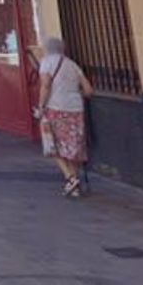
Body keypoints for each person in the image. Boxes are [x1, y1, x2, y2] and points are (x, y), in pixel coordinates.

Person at [38, 35, 94, 198]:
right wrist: (74, 93)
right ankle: (74, 184)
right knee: (73, 146)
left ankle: (70, 178)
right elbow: (89, 91)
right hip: (75, 109)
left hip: (55, 108)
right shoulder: (73, 65)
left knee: (53, 145)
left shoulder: (46, 63)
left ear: (46, 49)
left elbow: (45, 85)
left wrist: (41, 106)